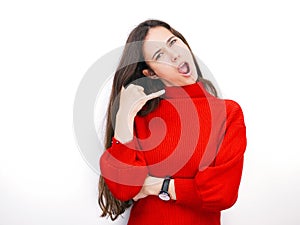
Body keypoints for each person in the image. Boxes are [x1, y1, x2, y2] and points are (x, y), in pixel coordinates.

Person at [98, 19, 247, 225]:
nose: (174, 54)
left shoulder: (228, 113)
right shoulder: (141, 116)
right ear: (150, 73)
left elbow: (223, 192)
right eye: (160, 55)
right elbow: (124, 189)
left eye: (173, 42)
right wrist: (123, 116)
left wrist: (157, 186)